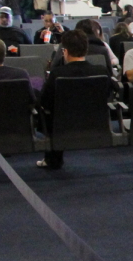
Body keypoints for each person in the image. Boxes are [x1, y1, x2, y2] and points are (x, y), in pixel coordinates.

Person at [37, 28, 109, 170]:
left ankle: (53, 159)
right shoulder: (101, 71)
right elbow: (107, 94)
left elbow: (46, 101)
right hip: (94, 122)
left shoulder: (57, 73)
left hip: (62, 124)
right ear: (86, 50)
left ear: (65, 51)